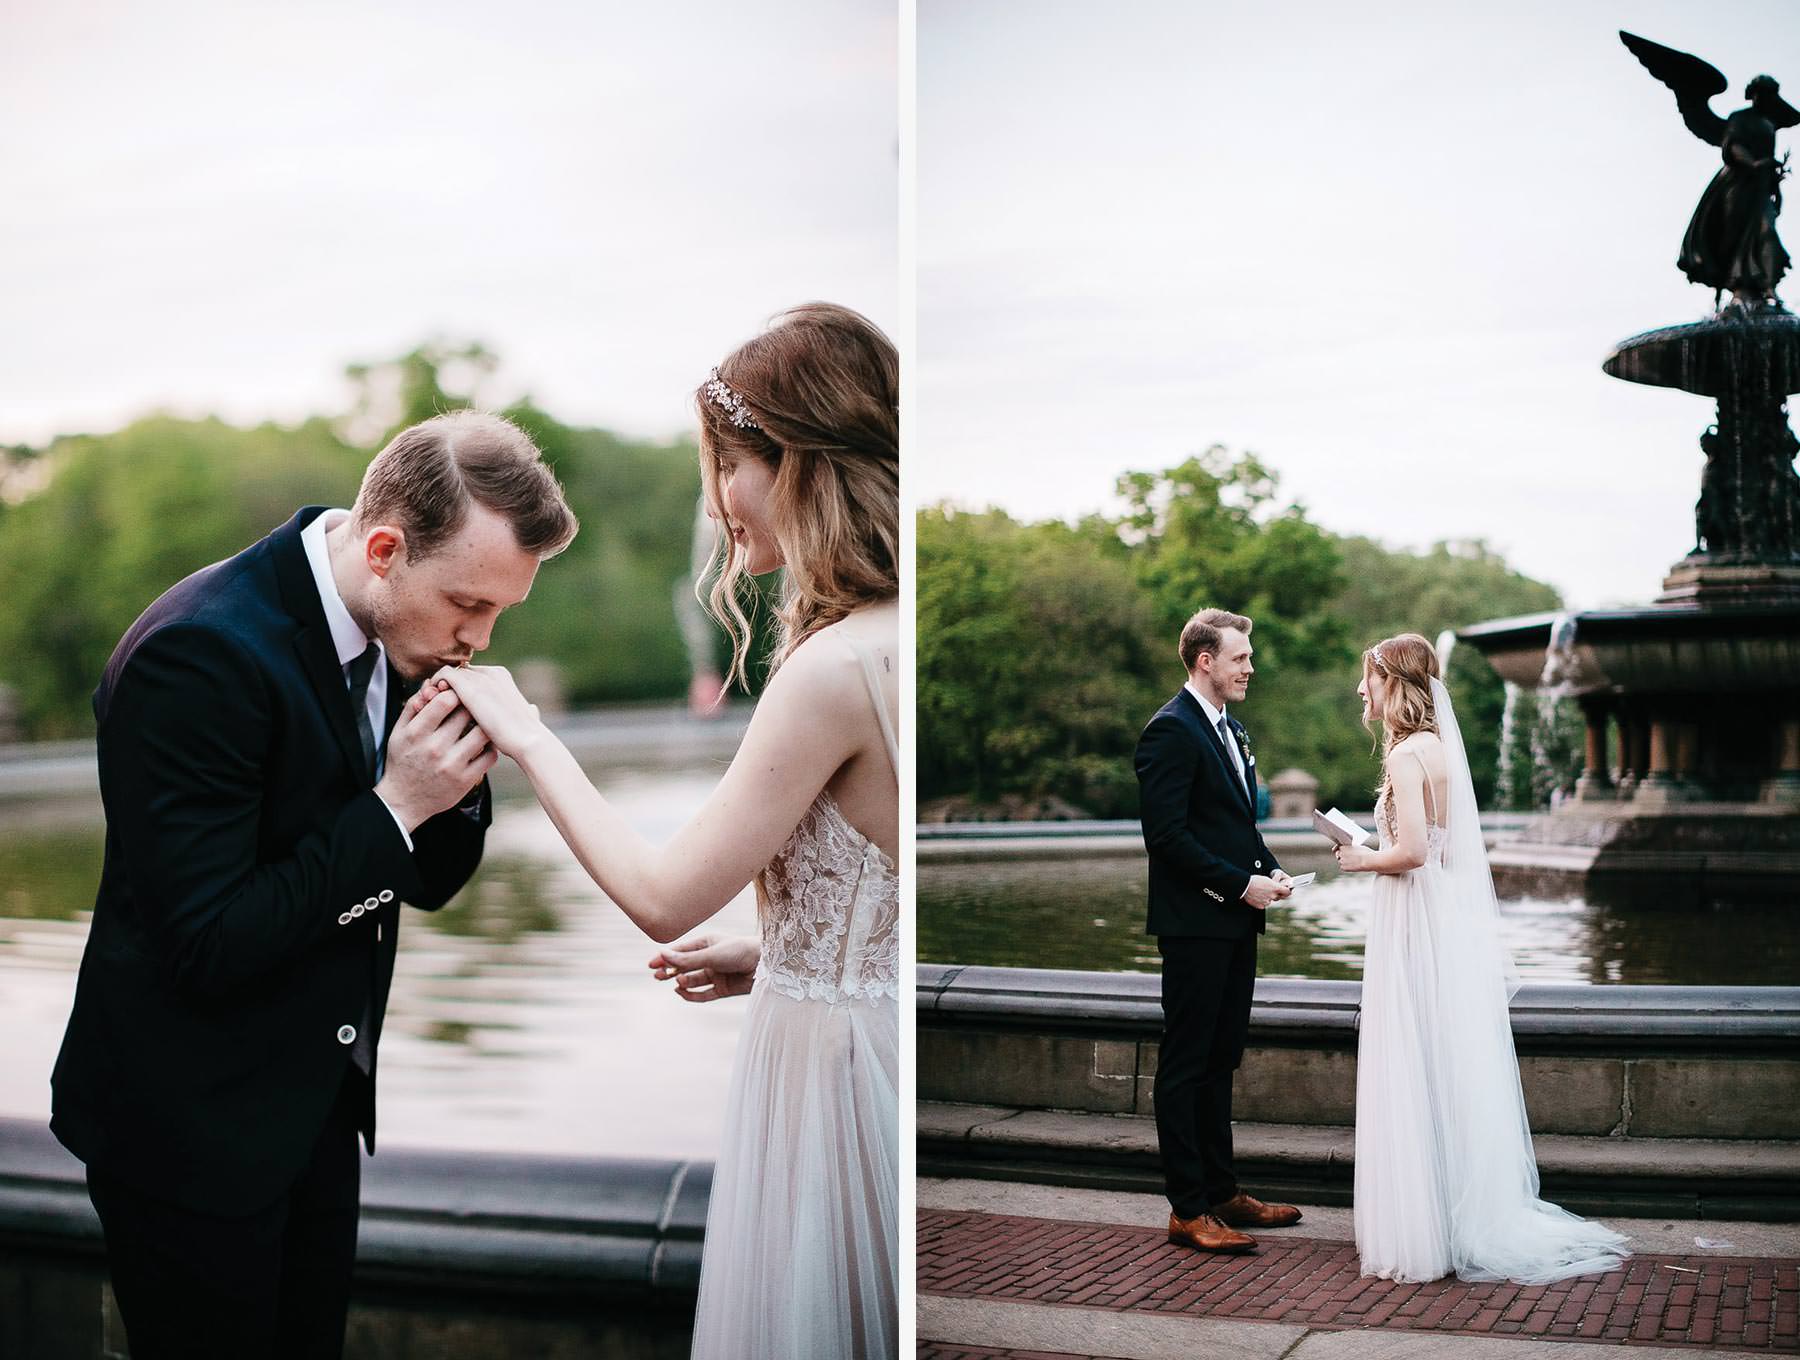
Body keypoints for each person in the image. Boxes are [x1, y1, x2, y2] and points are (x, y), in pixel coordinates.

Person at [49, 411, 579, 1358]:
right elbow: (209, 941)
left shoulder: (404, 638)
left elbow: (429, 886)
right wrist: (394, 805)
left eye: (500, 613)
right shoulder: (197, 655)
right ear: (384, 550)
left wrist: (449, 792)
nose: (479, 638)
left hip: (318, 1112)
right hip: (188, 1135)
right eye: (468, 604)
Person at [424, 303, 898, 1357]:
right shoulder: (896, 637)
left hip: (829, 1082)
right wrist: (782, 951)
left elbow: (663, 892)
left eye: (730, 463)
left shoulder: (833, 667)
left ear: (802, 462)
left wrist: (530, 738)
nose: (720, 497)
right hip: (869, 1038)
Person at [1335, 634, 1630, 1284]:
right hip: (1431, 915)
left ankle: (1418, 1229)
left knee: (1411, 1057)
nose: (1363, 692)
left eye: (1370, 680)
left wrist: (1358, 857)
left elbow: (1411, 852)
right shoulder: (1435, 749)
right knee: (1436, 1057)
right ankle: (1444, 1208)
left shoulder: (1410, 755)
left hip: (1410, 912)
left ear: (1396, 685)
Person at [1133, 608, 1299, 1256]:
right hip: (1196, 923)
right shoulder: (1169, 733)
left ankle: (1224, 1190)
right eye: (1240, 658)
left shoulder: (1231, 730)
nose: (1249, 667)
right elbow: (1166, 839)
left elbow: (1232, 825)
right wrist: (1236, 885)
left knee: (1222, 1057)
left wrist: (1270, 870)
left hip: (1234, 919)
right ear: (1206, 660)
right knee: (1186, 1063)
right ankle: (1188, 1209)